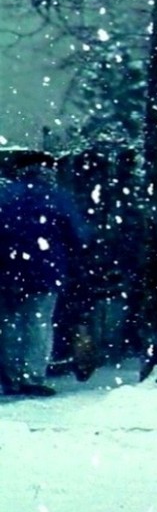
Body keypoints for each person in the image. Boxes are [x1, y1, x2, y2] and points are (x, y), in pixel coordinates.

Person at [0, 150, 89, 397]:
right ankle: (32, 376)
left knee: (9, 323)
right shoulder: (57, 197)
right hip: (46, 269)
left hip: (6, 270)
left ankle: (10, 375)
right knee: (38, 323)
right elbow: (79, 235)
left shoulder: (4, 195)